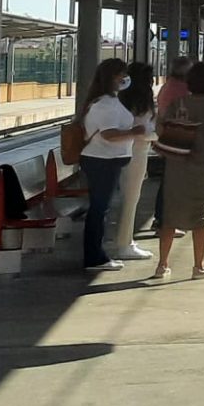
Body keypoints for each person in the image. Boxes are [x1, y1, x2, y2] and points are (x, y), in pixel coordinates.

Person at [154, 60, 204, 280]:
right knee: (200, 219)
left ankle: (162, 265)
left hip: (176, 168)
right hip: (202, 169)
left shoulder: (178, 103)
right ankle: (199, 266)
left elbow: (160, 126)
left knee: (169, 217)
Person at [78, 59, 147, 271]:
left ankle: (97, 254)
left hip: (107, 161)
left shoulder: (108, 100)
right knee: (99, 209)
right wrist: (134, 133)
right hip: (102, 161)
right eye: (121, 74)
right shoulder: (104, 105)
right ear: (111, 77)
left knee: (102, 208)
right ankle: (94, 257)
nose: (125, 79)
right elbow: (109, 135)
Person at [109, 61, 158, 261]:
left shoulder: (122, 98)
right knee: (131, 199)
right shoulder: (142, 101)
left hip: (121, 152)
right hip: (136, 153)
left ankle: (125, 240)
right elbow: (142, 131)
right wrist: (157, 136)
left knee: (127, 198)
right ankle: (124, 244)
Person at [152, 57, 193, 237]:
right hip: (176, 139)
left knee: (169, 182)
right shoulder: (181, 89)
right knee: (173, 183)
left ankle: (162, 220)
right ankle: (164, 221)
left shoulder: (168, 86)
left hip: (168, 138)